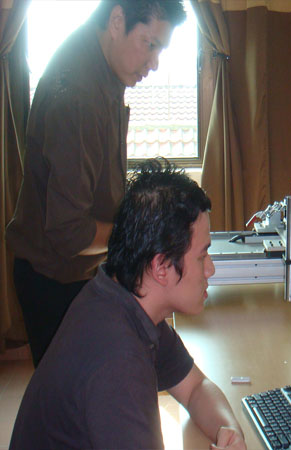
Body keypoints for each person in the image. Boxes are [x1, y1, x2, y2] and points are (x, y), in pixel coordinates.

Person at [10, 158, 247, 450]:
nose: (210, 269)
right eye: (202, 256)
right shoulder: (118, 361)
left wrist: (229, 431)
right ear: (161, 267)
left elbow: (196, 387)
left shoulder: (122, 297)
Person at [6, 0, 186, 367]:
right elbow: (69, 232)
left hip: (77, 271)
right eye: (150, 44)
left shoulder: (101, 64)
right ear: (117, 20)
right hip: (54, 280)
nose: (154, 63)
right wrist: (138, 235)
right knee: (77, 395)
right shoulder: (79, 94)